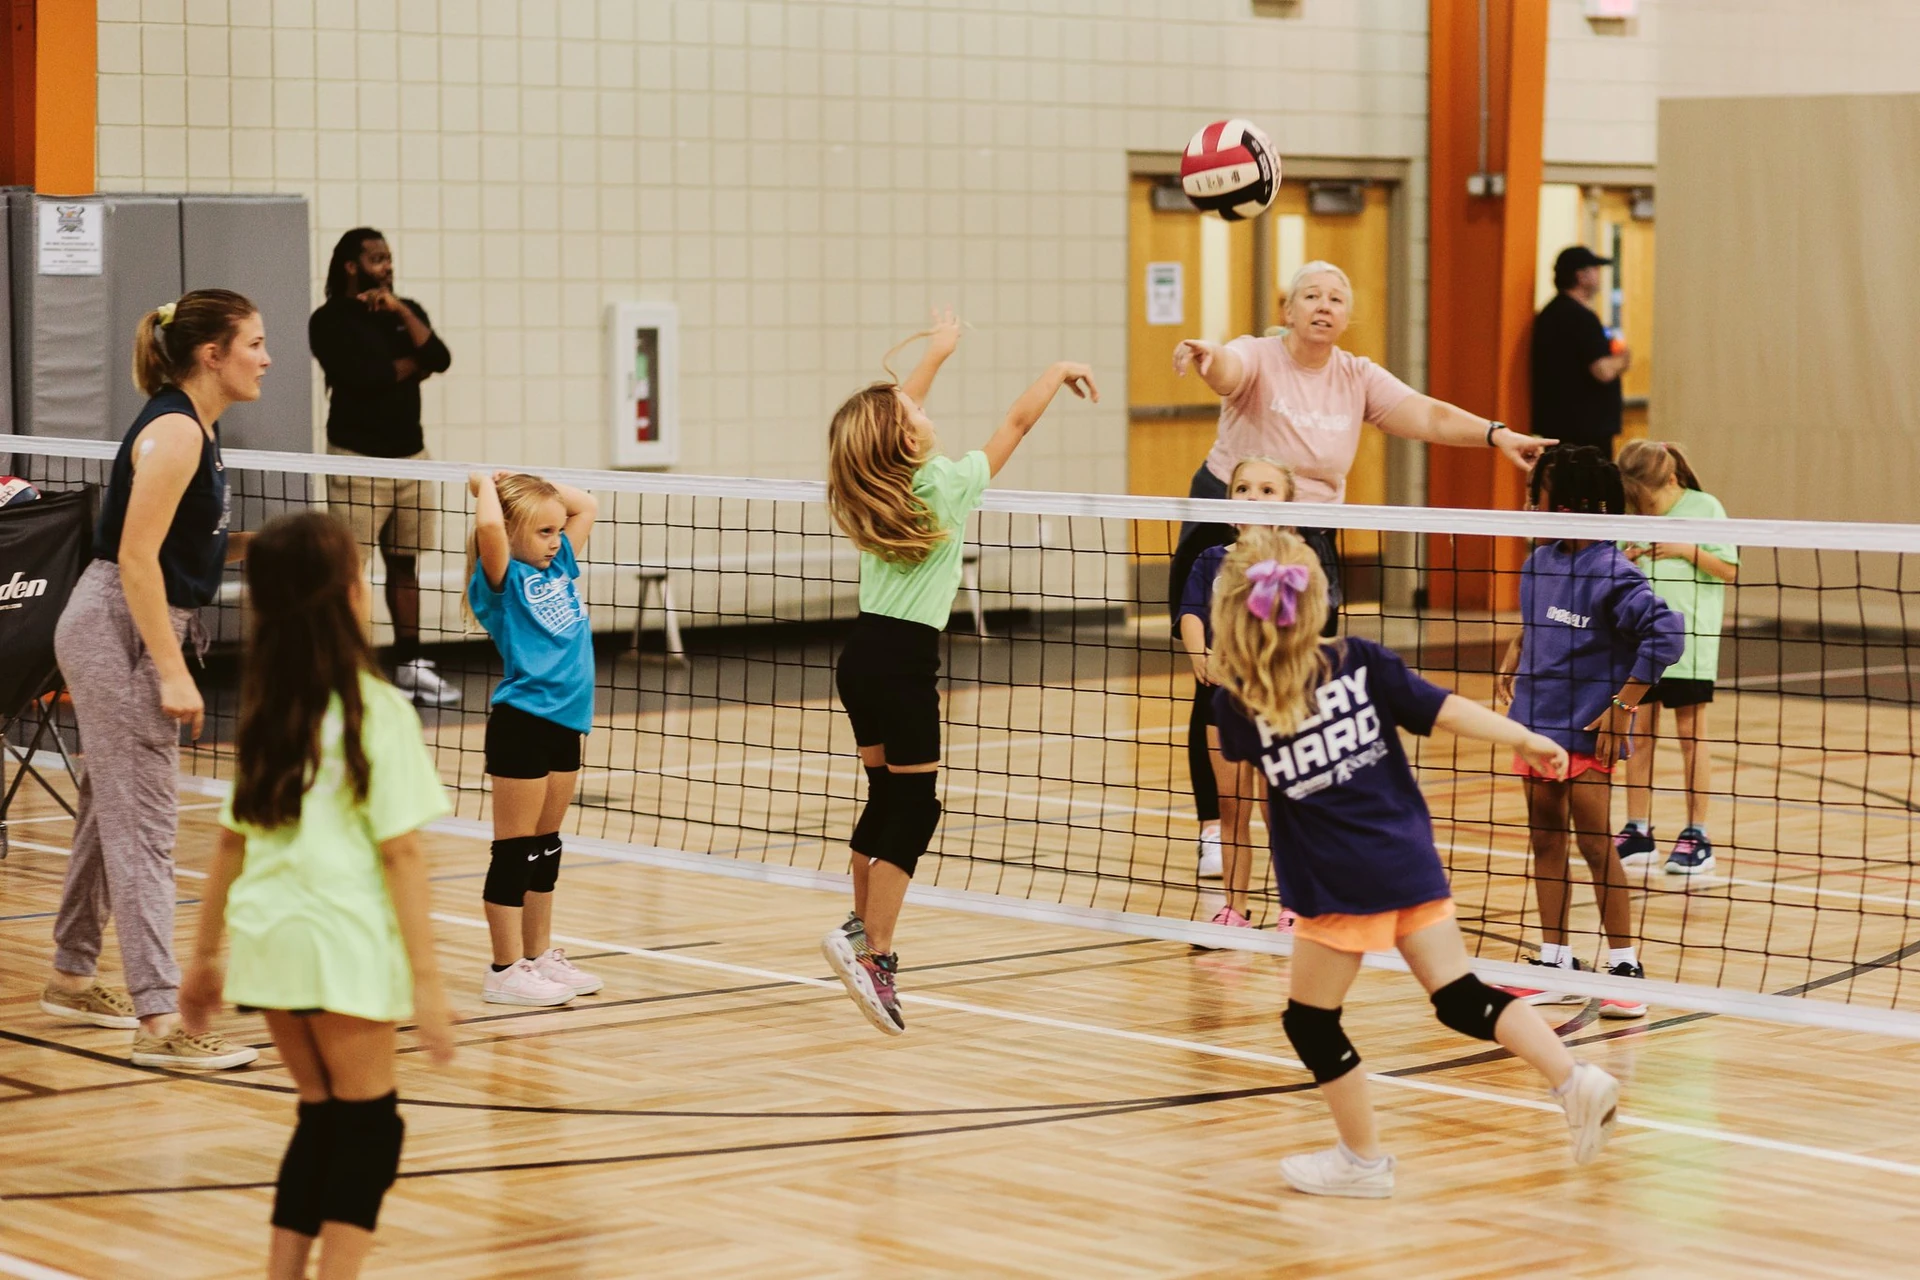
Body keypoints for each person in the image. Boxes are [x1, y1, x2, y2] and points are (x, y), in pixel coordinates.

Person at [1208, 527, 1620, 1198]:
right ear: (1317, 602)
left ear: (1234, 614)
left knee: (1309, 1021)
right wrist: (1523, 735)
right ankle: (1575, 1080)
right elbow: (1446, 709)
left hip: (1336, 882)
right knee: (1459, 997)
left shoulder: (1237, 706)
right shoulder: (1360, 660)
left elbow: (1249, 793)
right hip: (1407, 859)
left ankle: (1362, 1161)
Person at [1169, 260, 1554, 873]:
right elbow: (1227, 369)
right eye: (1311, 296)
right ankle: (1218, 825)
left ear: (1347, 316)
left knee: (1306, 673)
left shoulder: (1356, 376)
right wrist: (1208, 357)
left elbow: (1426, 415)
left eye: (1337, 298)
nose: (1324, 305)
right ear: (1289, 309)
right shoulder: (1259, 357)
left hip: (1307, 536)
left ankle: (1300, 812)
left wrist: (1496, 434)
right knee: (1217, 675)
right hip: (1229, 519)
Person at [180, 511, 456, 1280]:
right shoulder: (379, 712)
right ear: (344, 596)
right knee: (370, 1130)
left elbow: (231, 842)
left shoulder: (269, 713)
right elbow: (402, 854)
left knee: (323, 1117)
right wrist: (430, 989)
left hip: (269, 941)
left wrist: (202, 959)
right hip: (340, 942)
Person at [820, 313, 1095, 1035]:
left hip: (861, 659)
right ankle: (876, 954)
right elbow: (1014, 424)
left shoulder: (876, 487)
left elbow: (886, 419)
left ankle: (856, 926)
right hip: (905, 664)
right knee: (918, 809)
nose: (921, 404)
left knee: (886, 796)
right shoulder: (944, 485)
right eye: (914, 410)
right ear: (906, 439)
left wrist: (937, 355)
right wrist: (1053, 373)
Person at [39, 289, 266, 1070]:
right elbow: (134, 558)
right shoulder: (174, 430)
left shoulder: (195, 425)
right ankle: (162, 1021)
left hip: (132, 620)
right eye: (255, 344)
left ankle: (72, 972)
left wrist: (260, 546)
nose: (266, 358)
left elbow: (175, 544)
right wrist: (172, 673)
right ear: (213, 355)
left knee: (112, 809)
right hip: (124, 629)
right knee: (146, 827)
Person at [1495, 445, 1684, 1018]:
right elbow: (1539, 622)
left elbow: (1666, 635)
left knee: (1596, 845)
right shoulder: (1537, 562)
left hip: (1586, 733)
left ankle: (1625, 964)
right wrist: (1517, 646)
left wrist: (1624, 705)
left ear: (1574, 504)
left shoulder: (1613, 573)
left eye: (1538, 496)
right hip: (1535, 725)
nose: (1529, 505)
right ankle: (1555, 960)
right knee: (1546, 842)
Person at [466, 469, 602, 1006]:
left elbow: (585, 503)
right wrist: (488, 490)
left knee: (545, 847)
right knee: (514, 850)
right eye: (543, 532)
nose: (556, 540)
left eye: (555, 531)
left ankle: (537, 956)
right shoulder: (499, 582)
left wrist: (520, 475)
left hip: (566, 724)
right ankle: (503, 969)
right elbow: (492, 535)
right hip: (522, 723)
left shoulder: (560, 565)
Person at [309, 227, 459, 708]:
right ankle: (346, 673)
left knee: (405, 564)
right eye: (376, 259)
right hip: (357, 460)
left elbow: (440, 357)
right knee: (349, 571)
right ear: (352, 266)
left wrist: (399, 311)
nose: (387, 266)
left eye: (389, 258)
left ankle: (413, 668)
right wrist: (414, 365)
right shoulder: (328, 321)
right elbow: (367, 378)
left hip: (412, 459)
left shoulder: (404, 309)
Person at [1175, 456, 1298, 934]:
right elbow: (1190, 612)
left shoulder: (1293, 564)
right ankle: (1235, 907)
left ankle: (1293, 907)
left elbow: (1298, 626)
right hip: (1220, 702)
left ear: (1288, 507)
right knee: (1232, 806)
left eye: (1268, 490)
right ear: (1230, 505)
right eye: (1244, 488)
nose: (1253, 497)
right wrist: (1199, 653)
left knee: (1278, 808)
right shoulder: (1211, 560)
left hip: (1273, 701)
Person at [1615, 440, 1738, 875]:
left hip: (1690, 644)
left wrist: (1685, 548)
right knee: (1638, 735)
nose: (1646, 511)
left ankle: (1695, 835)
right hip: (1637, 644)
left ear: (1670, 480)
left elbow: (1730, 569)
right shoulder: (1628, 513)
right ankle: (1637, 830)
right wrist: (1623, 559)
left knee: (1692, 738)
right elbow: (1609, 565)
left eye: (1650, 502)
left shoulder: (1706, 508)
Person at [1530, 246, 1632, 454]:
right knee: (1589, 485)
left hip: (1558, 424)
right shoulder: (1581, 318)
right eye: (1595, 269)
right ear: (1581, 275)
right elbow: (1602, 371)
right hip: (1587, 431)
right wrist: (1623, 359)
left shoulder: (1550, 313)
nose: (1599, 276)